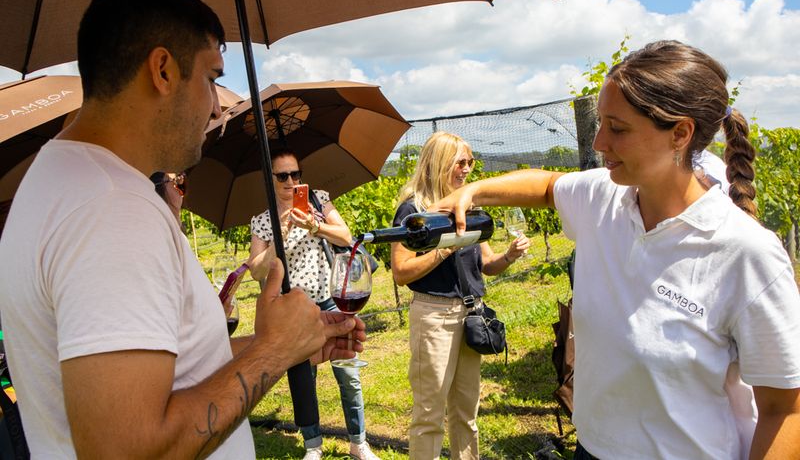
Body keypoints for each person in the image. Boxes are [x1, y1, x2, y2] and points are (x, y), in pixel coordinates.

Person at [0, 0, 365, 458]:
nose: (217, 107)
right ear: (163, 70)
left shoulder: (61, 178)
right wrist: (272, 352)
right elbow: (129, 449)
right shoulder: (111, 209)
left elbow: (167, 376)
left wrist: (286, 345)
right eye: (211, 78)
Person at [430, 41, 800, 460]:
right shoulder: (602, 198)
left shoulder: (745, 252)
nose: (600, 142)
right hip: (592, 450)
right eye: (602, 123)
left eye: (618, 128)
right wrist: (475, 191)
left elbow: (784, 411)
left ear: (680, 133)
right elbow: (548, 186)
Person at [390, 131, 530, 459]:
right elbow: (400, 272)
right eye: (460, 162)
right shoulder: (414, 213)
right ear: (439, 164)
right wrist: (444, 248)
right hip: (434, 316)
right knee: (430, 413)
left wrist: (509, 255)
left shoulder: (468, 206)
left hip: (471, 315)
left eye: (471, 161)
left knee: (467, 412)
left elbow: (487, 263)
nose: (467, 169)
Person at [248, 147, 380, 460]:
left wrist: (314, 225)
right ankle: (312, 446)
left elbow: (345, 236)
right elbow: (256, 270)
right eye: (282, 175)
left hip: (331, 300)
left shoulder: (318, 200)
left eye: (295, 174)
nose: (290, 181)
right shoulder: (262, 221)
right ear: (270, 178)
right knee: (302, 379)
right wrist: (281, 233)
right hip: (295, 310)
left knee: (348, 372)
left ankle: (358, 442)